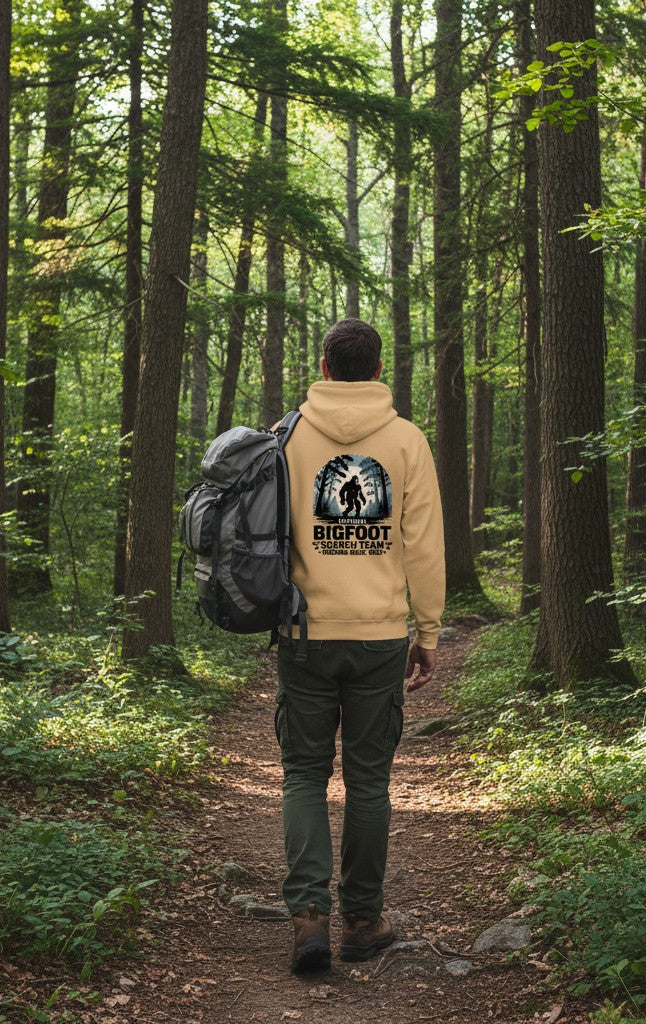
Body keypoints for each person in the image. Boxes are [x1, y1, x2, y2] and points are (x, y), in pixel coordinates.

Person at [274, 318, 445, 973]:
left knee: (304, 774)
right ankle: (363, 921)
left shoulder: (288, 437)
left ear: (324, 366)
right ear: (379, 371)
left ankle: (309, 919)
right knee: (369, 781)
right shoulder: (406, 441)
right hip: (377, 637)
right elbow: (423, 547)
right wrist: (426, 632)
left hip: (304, 632)